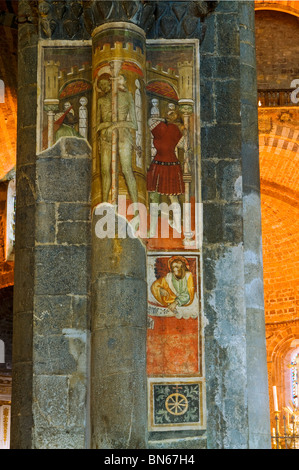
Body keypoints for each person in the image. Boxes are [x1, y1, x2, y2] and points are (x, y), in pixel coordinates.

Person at [96, 72, 138, 204]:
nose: (104, 87)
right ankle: (104, 204)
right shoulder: (101, 101)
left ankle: (136, 207)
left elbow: (134, 124)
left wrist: (114, 126)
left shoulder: (126, 96)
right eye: (101, 86)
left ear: (111, 82)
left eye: (105, 83)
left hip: (123, 136)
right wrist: (108, 125)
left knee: (126, 170)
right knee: (105, 171)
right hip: (105, 138)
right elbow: (96, 126)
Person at [147, 106, 185, 236]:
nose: (169, 116)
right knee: (168, 197)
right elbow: (183, 146)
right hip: (169, 164)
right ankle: (173, 228)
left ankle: (155, 230)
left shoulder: (160, 127)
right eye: (168, 114)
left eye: (172, 114)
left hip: (160, 164)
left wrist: (164, 119)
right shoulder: (175, 130)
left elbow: (149, 121)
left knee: (158, 197)